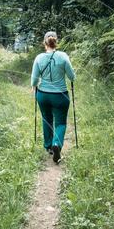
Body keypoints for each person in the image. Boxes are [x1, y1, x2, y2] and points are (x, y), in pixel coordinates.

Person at [31, 31, 75, 163]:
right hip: (60, 95)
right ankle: (57, 144)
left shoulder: (39, 58)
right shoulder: (63, 56)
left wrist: (33, 87)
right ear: (56, 42)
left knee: (47, 119)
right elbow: (72, 76)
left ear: (45, 43)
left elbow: (34, 79)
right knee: (60, 122)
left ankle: (49, 146)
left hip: (43, 95)